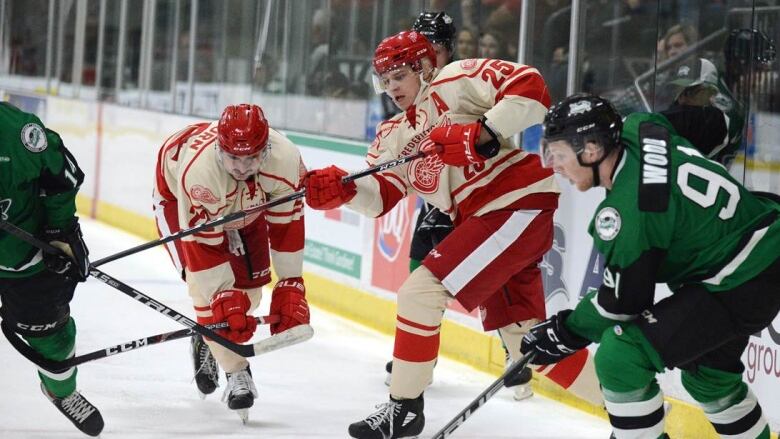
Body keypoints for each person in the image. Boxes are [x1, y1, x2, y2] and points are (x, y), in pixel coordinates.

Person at [304, 30, 600, 439]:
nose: (391, 89)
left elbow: (532, 89)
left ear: (425, 67)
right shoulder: (392, 134)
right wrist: (345, 192)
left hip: (514, 201)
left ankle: (404, 407)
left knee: (419, 292)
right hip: (484, 219)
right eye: (383, 80)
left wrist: (483, 132)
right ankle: (633, 409)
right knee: (528, 347)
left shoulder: (456, 79)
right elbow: (382, 196)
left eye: (398, 76)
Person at [523, 93, 780, 438]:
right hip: (762, 245)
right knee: (709, 377)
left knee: (620, 355)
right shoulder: (642, 126)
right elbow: (710, 125)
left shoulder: (628, 213)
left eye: (560, 154)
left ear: (593, 150)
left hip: (742, 276)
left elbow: (622, 305)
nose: (554, 165)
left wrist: (566, 331)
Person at [152, 104, 310, 422]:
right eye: (234, 158)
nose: (241, 166)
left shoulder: (286, 161)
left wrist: (291, 283)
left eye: (251, 157)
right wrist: (222, 300)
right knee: (211, 300)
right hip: (179, 202)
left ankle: (206, 339)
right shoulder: (200, 174)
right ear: (219, 148)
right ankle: (236, 373)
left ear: (265, 150)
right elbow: (205, 253)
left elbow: (286, 228)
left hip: (248, 206)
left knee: (249, 297)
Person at [0, 102, 103, 436]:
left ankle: (61, 391)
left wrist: (59, 230)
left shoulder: (20, 133)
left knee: (52, 341)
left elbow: (63, 175)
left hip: (22, 256)